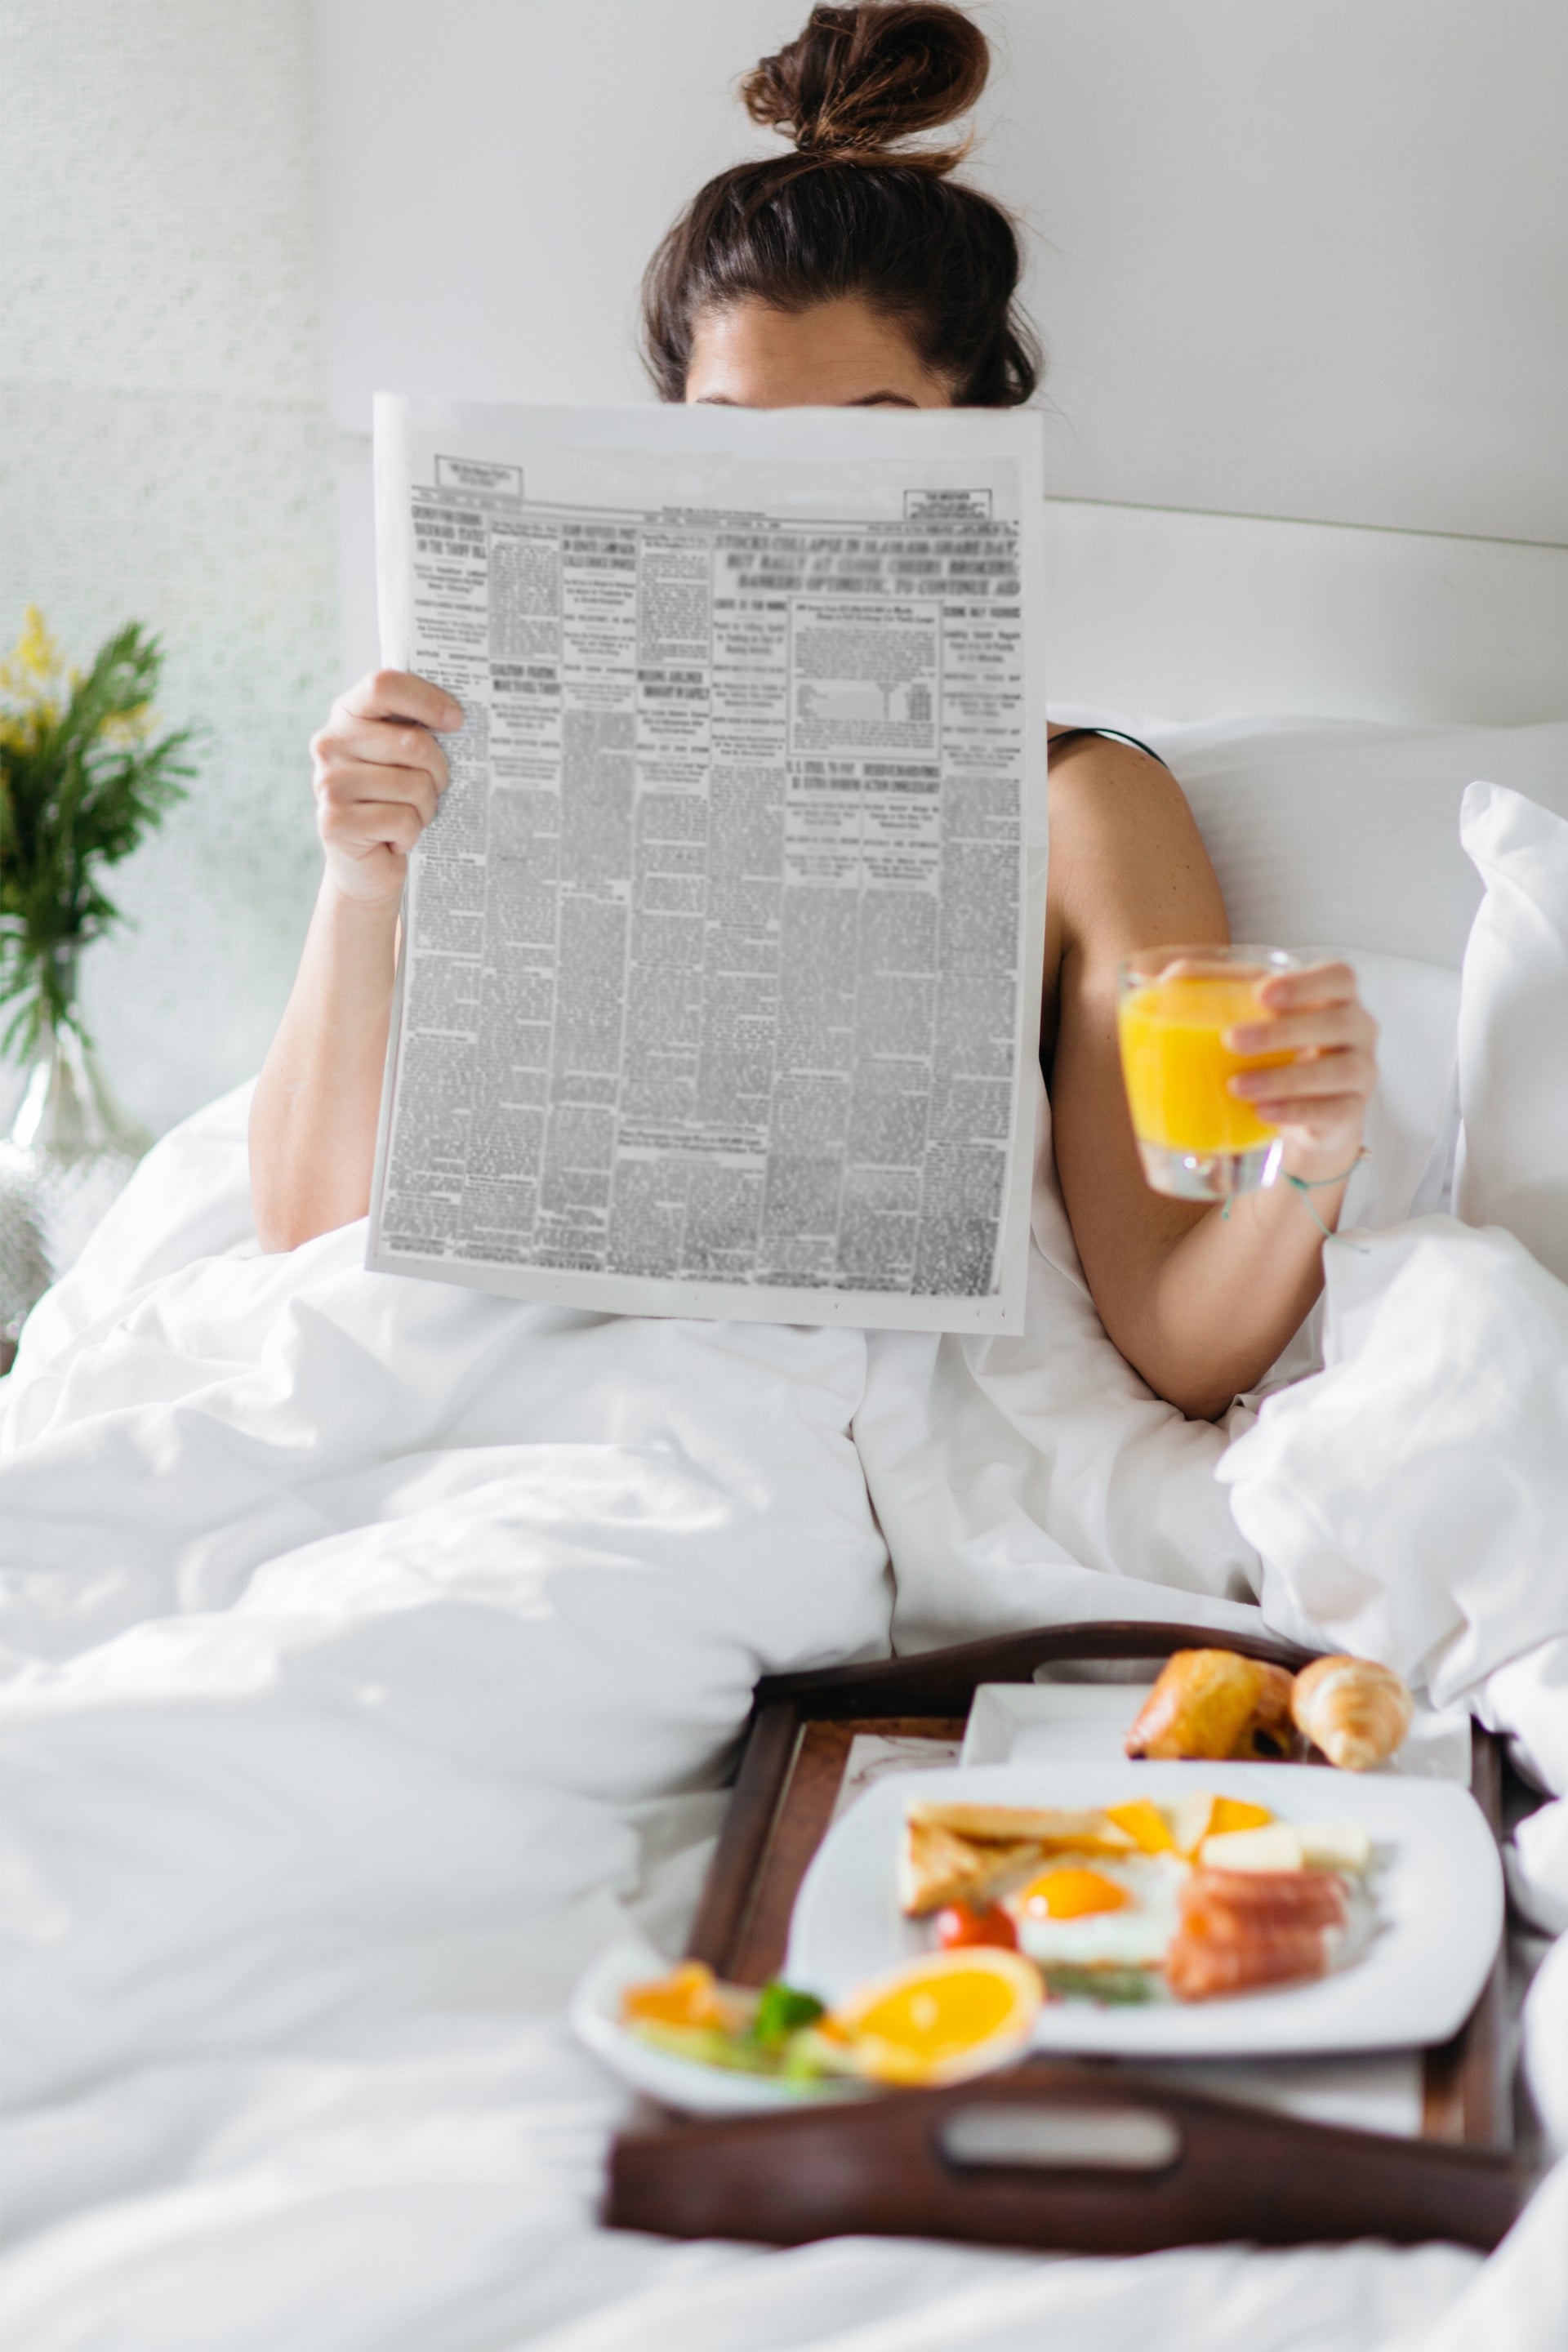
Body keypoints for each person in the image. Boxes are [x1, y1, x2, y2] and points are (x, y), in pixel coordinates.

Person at [250, 0, 1378, 1423]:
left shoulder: (1080, 808)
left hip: (759, 1434)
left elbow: (1179, 1338)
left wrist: (1309, 1161)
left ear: (976, 451)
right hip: (447, 1388)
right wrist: (358, 888)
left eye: (865, 438)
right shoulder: (503, 747)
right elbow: (301, 1233)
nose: (787, 506)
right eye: (733, 445)